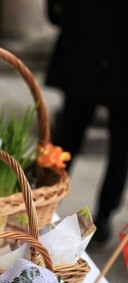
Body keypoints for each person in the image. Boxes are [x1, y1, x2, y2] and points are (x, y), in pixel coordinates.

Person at [45, 0, 128, 245]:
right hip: (88, 39)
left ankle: (103, 216)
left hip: (109, 47)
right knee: (68, 135)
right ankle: (46, 202)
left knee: (120, 146)